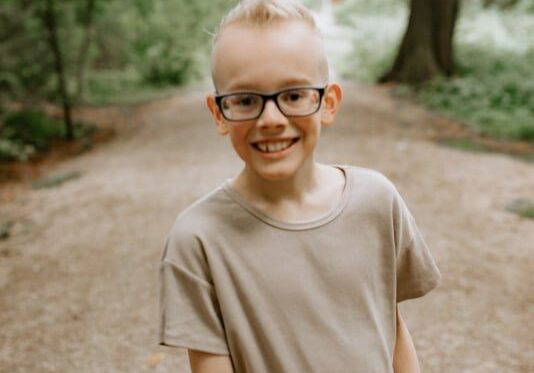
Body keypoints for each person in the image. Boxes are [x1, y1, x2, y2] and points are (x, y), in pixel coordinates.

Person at [158, 1, 441, 372]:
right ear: (218, 113)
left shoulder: (376, 201)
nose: (271, 119)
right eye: (245, 100)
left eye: (293, 96)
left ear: (328, 102)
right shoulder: (198, 239)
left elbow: (391, 328)